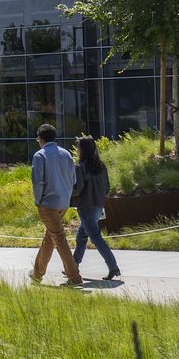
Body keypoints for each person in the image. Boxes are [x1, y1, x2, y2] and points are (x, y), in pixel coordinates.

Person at [29, 123, 83, 286]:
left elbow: (37, 182)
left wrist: (38, 201)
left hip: (48, 204)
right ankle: (37, 273)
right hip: (63, 203)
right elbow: (74, 179)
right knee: (50, 238)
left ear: (40, 138)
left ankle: (74, 277)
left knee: (58, 238)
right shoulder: (66, 154)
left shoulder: (40, 155)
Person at [70, 135, 119, 280]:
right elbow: (107, 188)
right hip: (98, 205)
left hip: (85, 206)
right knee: (81, 236)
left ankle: (113, 266)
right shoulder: (101, 166)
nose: (77, 151)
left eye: (78, 148)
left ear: (82, 150)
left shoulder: (80, 167)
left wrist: (65, 192)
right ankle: (72, 266)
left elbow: (77, 189)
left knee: (96, 238)